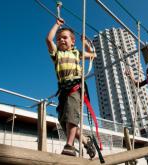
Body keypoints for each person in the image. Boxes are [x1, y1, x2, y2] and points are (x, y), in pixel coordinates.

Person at [46, 18, 97, 157]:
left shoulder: (76, 53)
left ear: (72, 41)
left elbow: (93, 55)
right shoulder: (57, 54)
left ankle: (69, 145)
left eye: (64, 38)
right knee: (63, 120)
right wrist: (57, 25)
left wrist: (85, 44)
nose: (61, 40)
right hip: (63, 89)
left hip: (75, 87)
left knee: (71, 115)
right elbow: (48, 40)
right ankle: (87, 141)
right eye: (59, 39)